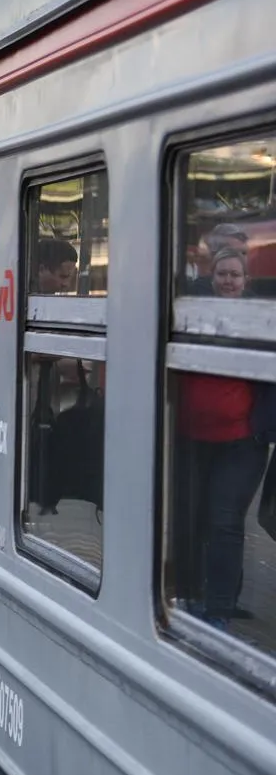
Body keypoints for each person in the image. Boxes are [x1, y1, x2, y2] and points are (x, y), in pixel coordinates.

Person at [173, 247, 265, 623]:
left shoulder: (260, 320)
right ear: (212, 278)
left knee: (224, 521)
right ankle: (193, 597)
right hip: (190, 438)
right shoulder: (195, 314)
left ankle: (220, 610)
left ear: (245, 282)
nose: (228, 280)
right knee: (192, 520)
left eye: (235, 275)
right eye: (222, 274)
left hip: (241, 441)